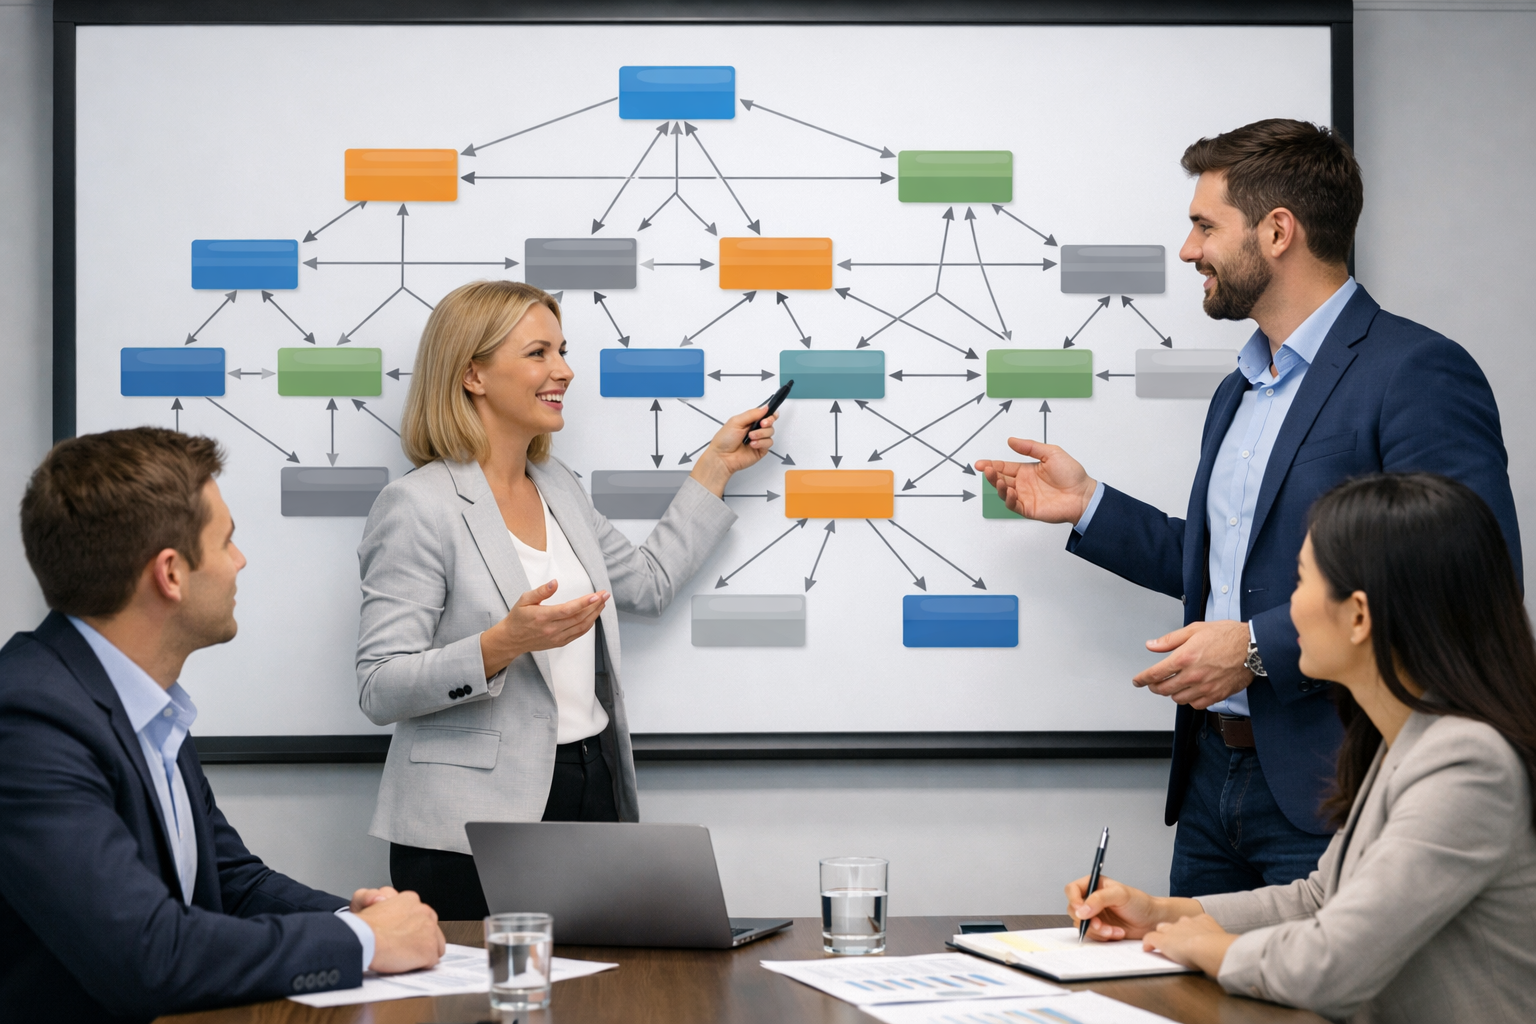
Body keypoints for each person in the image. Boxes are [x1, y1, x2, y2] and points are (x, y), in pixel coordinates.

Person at [976, 119, 1521, 896]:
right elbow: (1229, 568)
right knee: (1182, 970)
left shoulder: (1416, 371)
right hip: (1212, 780)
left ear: (1277, 231)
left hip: (1333, 784)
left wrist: (1260, 648)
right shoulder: (1239, 390)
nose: (1187, 250)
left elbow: (1470, 580)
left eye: (1205, 226)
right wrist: (1088, 506)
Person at [356, 279, 778, 920]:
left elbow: (647, 584)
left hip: (591, 782)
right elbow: (379, 686)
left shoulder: (558, 485)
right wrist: (500, 645)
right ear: (472, 374)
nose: (564, 371)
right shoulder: (417, 505)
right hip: (467, 825)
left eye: (562, 351)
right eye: (538, 353)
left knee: (601, 977)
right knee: (489, 983)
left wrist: (716, 467)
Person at [0, 428, 445, 1024]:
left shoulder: (144, 701)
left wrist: (358, 920)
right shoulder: (28, 721)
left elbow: (231, 881)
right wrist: (364, 943)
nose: (240, 560)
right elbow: (146, 955)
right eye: (226, 540)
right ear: (170, 574)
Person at [1065, 473, 1536, 1023]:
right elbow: (1319, 900)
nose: (1286, 610)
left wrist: (1209, 948)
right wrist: (1162, 915)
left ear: (1357, 616)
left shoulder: (1467, 765)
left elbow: (1330, 966)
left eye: (1301, 581)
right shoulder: (1405, 739)